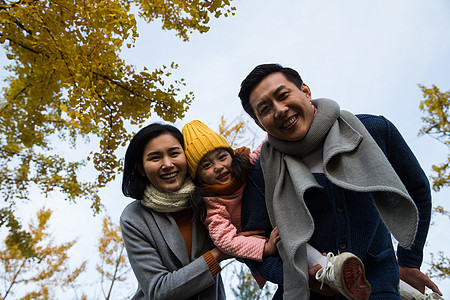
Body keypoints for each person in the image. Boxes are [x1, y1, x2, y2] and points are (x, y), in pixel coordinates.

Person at [237, 63, 443, 300]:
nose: (280, 110)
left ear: (305, 91)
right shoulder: (261, 173)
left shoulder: (372, 132)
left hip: (378, 290)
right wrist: (296, 275)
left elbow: (417, 188)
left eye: (283, 95)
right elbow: (251, 247)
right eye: (265, 109)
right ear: (260, 123)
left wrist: (409, 260)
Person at [182, 120, 371, 300]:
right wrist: (265, 248)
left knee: (291, 234)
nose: (218, 167)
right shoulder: (212, 204)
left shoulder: (246, 166)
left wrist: (278, 127)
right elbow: (224, 240)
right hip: (258, 244)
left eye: (222, 157)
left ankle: (346, 275)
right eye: (206, 165)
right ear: (198, 177)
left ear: (232, 156)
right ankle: (330, 271)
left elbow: (266, 148)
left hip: (280, 217)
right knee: (288, 247)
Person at [120, 123, 228, 300]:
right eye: (155, 158)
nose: (167, 164)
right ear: (141, 169)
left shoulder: (210, 198)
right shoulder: (134, 217)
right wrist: (218, 254)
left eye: (174, 153)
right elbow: (158, 290)